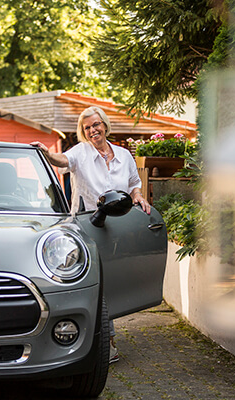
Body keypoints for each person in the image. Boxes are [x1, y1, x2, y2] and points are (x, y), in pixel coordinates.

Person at [31, 106, 151, 364]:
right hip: (88, 225)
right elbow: (63, 161)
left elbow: (133, 184)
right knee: (96, 282)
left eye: (96, 125)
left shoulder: (123, 155)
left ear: (105, 125)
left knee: (114, 279)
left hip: (120, 225)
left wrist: (138, 196)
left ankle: (104, 338)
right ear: (83, 132)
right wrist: (46, 153)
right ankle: (104, 342)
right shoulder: (80, 152)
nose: (92, 130)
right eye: (87, 128)